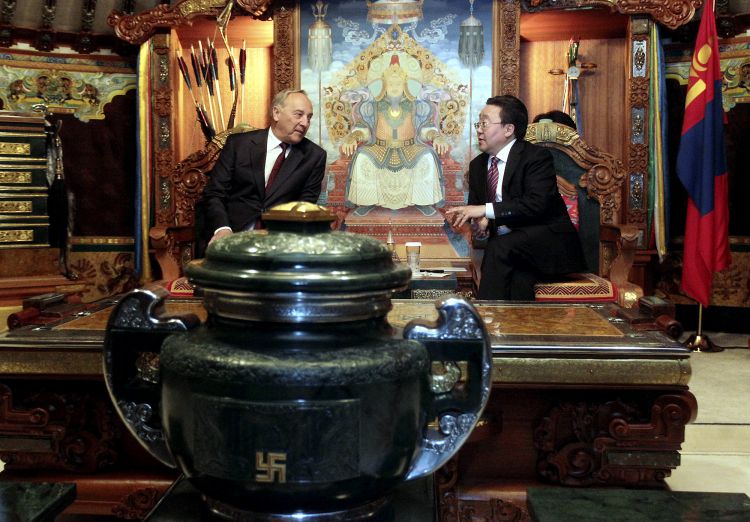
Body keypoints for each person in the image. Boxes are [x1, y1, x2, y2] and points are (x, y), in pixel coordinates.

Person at [445, 95, 585, 300]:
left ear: (508, 129)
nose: (479, 130)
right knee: (518, 276)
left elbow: (536, 205)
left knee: (500, 247)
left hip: (547, 244)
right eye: (478, 123)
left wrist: (485, 210)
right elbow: (478, 213)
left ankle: (485, 315)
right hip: (513, 252)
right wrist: (480, 224)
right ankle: (513, 321)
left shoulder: (535, 157)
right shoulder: (477, 166)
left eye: (485, 123)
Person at [202, 89, 327, 244]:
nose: (305, 123)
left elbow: (305, 207)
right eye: (299, 115)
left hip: (279, 242)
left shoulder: (314, 156)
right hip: (232, 234)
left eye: (309, 117)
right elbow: (215, 193)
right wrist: (222, 229)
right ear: (276, 113)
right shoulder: (239, 144)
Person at [342, 54, 446, 214]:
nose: (394, 86)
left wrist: (436, 136)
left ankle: (423, 202)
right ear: (384, 85)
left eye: (398, 83)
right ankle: (366, 202)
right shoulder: (373, 106)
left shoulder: (416, 106)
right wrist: (353, 137)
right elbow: (364, 129)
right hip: (379, 148)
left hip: (410, 148)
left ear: (405, 85)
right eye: (391, 83)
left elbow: (425, 129)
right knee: (362, 157)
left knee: (427, 156)